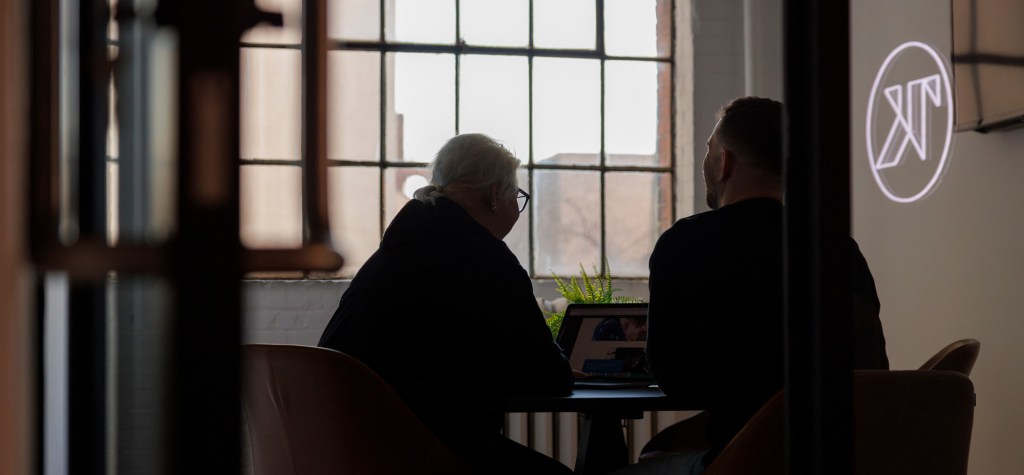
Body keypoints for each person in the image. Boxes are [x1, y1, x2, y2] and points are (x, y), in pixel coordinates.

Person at [616, 97, 889, 475]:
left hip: (740, 461)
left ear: (725, 161)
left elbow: (677, 381)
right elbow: (872, 365)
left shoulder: (685, 242)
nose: (706, 161)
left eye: (710, 150)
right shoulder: (837, 246)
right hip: (833, 459)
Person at [318, 134, 574, 475]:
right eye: (517, 195)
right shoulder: (484, 258)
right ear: (494, 196)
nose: (517, 205)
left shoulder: (392, 253)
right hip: (415, 450)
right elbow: (549, 378)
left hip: (337, 444)